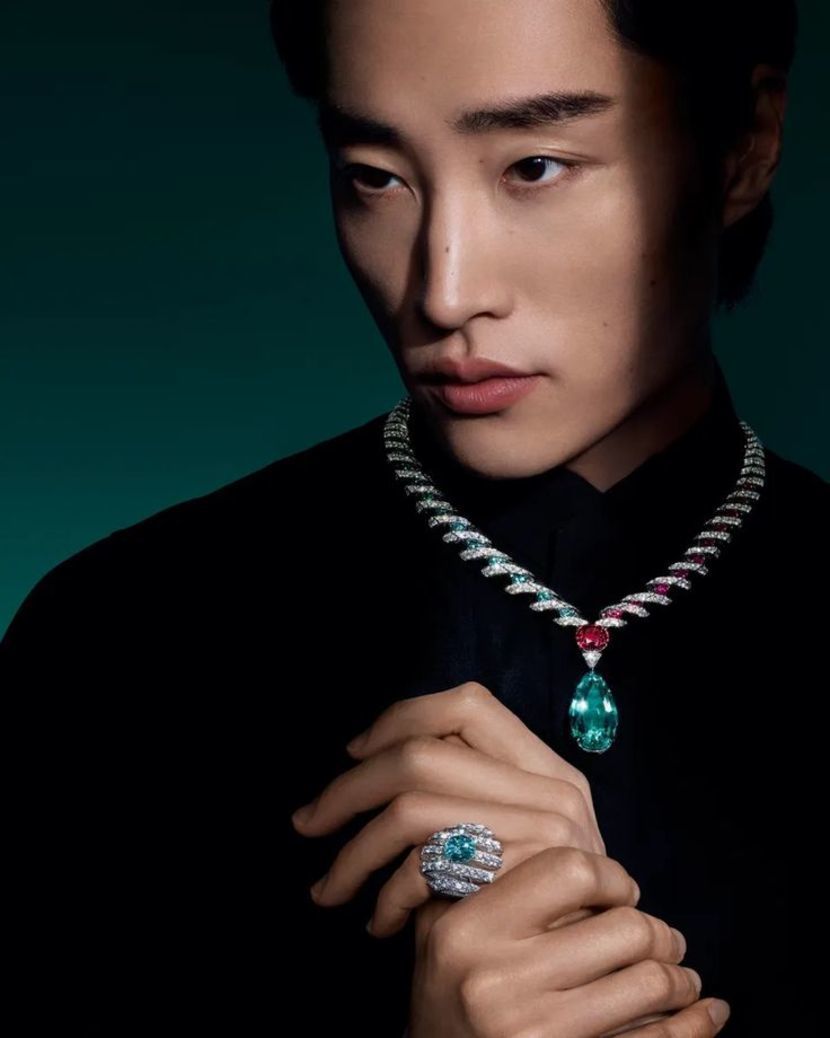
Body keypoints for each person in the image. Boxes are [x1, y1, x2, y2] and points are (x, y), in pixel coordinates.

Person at [3, 0, 826, 1033]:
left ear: (744, 146)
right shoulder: (122, 641)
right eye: (374, 177)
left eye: (533, 167)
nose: (443, 291)